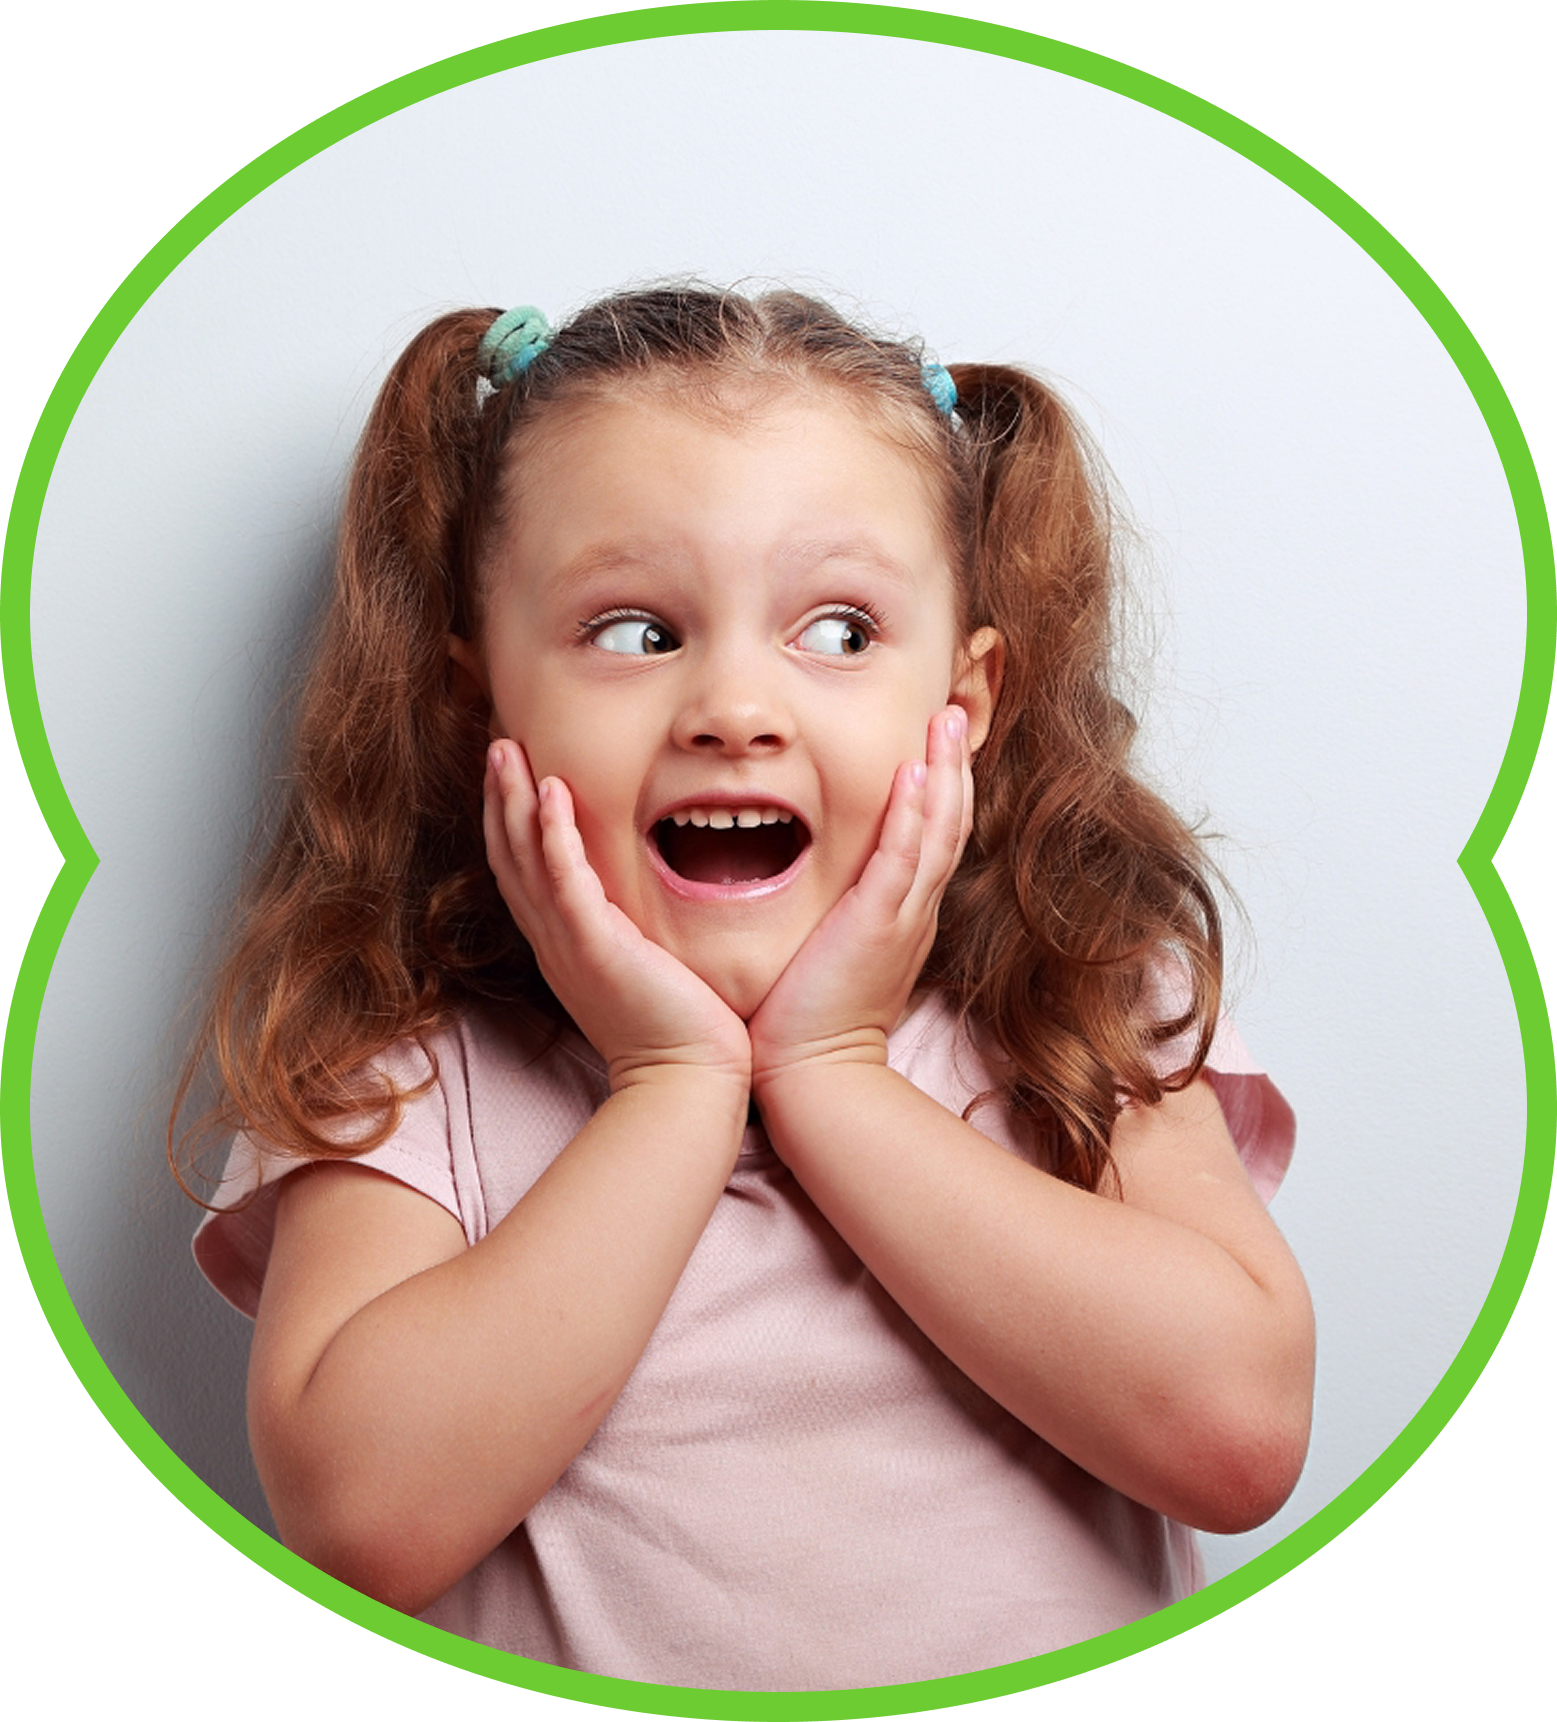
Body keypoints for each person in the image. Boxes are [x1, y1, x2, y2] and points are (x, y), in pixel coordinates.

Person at [182, 284, 1314, 1692]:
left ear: (962, 710)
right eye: (636, 631)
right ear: (482, 704)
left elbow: (1239, 1437)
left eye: (837, 632)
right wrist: (673, 1087)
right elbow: (360, 1523)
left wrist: (834, 1074)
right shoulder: (409, 1070)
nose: (733, 704)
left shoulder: (1070, 1001)